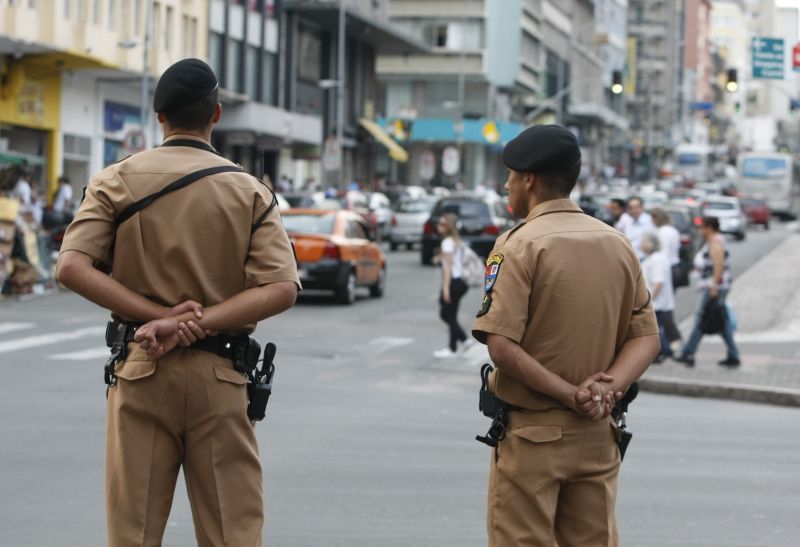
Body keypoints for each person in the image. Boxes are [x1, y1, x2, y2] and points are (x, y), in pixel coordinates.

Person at [56, 58, 300, 547]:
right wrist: (199, 321)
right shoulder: (249, 191)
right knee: (232, 533)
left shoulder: (115, 181)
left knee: (134, 533)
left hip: (142, 367)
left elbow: (70, 267)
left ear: (159, 118)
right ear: (217, 114)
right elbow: (281, 288)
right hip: (221, 374)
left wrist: (159, 319)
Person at [472, 124, 660, 546]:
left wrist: (567, 394)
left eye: (510, 176)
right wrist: (605, 391)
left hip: (534, 435)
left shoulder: (518, 245)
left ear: (529, 180)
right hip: (599, 433)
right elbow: (646, 337)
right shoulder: (618, 243)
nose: (506, 186)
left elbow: (501, 346)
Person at [676, 216, 740, 367]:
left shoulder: (716, 243)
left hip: (712, 288)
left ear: (709, 227)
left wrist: (714, 287)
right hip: (712, 287)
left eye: (701, 227)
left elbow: (718, 265)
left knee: (701, 318)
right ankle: (733, 354)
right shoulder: (713, 242)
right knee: (720, 321)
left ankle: (688, 352)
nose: (700, 230)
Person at [433, 213, 473, 358]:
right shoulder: (455, 241)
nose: (438, 226)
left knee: (446, 314)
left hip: (454, 282)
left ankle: (462, 341)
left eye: (442, 224)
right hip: (460, 282)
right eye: (439, 223)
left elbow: (448, 268)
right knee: (451, 315)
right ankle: (455, 347)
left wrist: (445, 289)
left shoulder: (447, 243)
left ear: (448, 227)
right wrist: (439, 257)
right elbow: (452, 259)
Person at [640, 231, 676, 363]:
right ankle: (662, 352)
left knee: (656, 331)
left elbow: (658, 282)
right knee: (658, 331)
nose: (640, 244)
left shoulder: (657, 259)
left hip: (658, 303)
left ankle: (662, 352)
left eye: (642, 241)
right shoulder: (652, 258)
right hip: (656, 302)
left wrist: (649, 299)